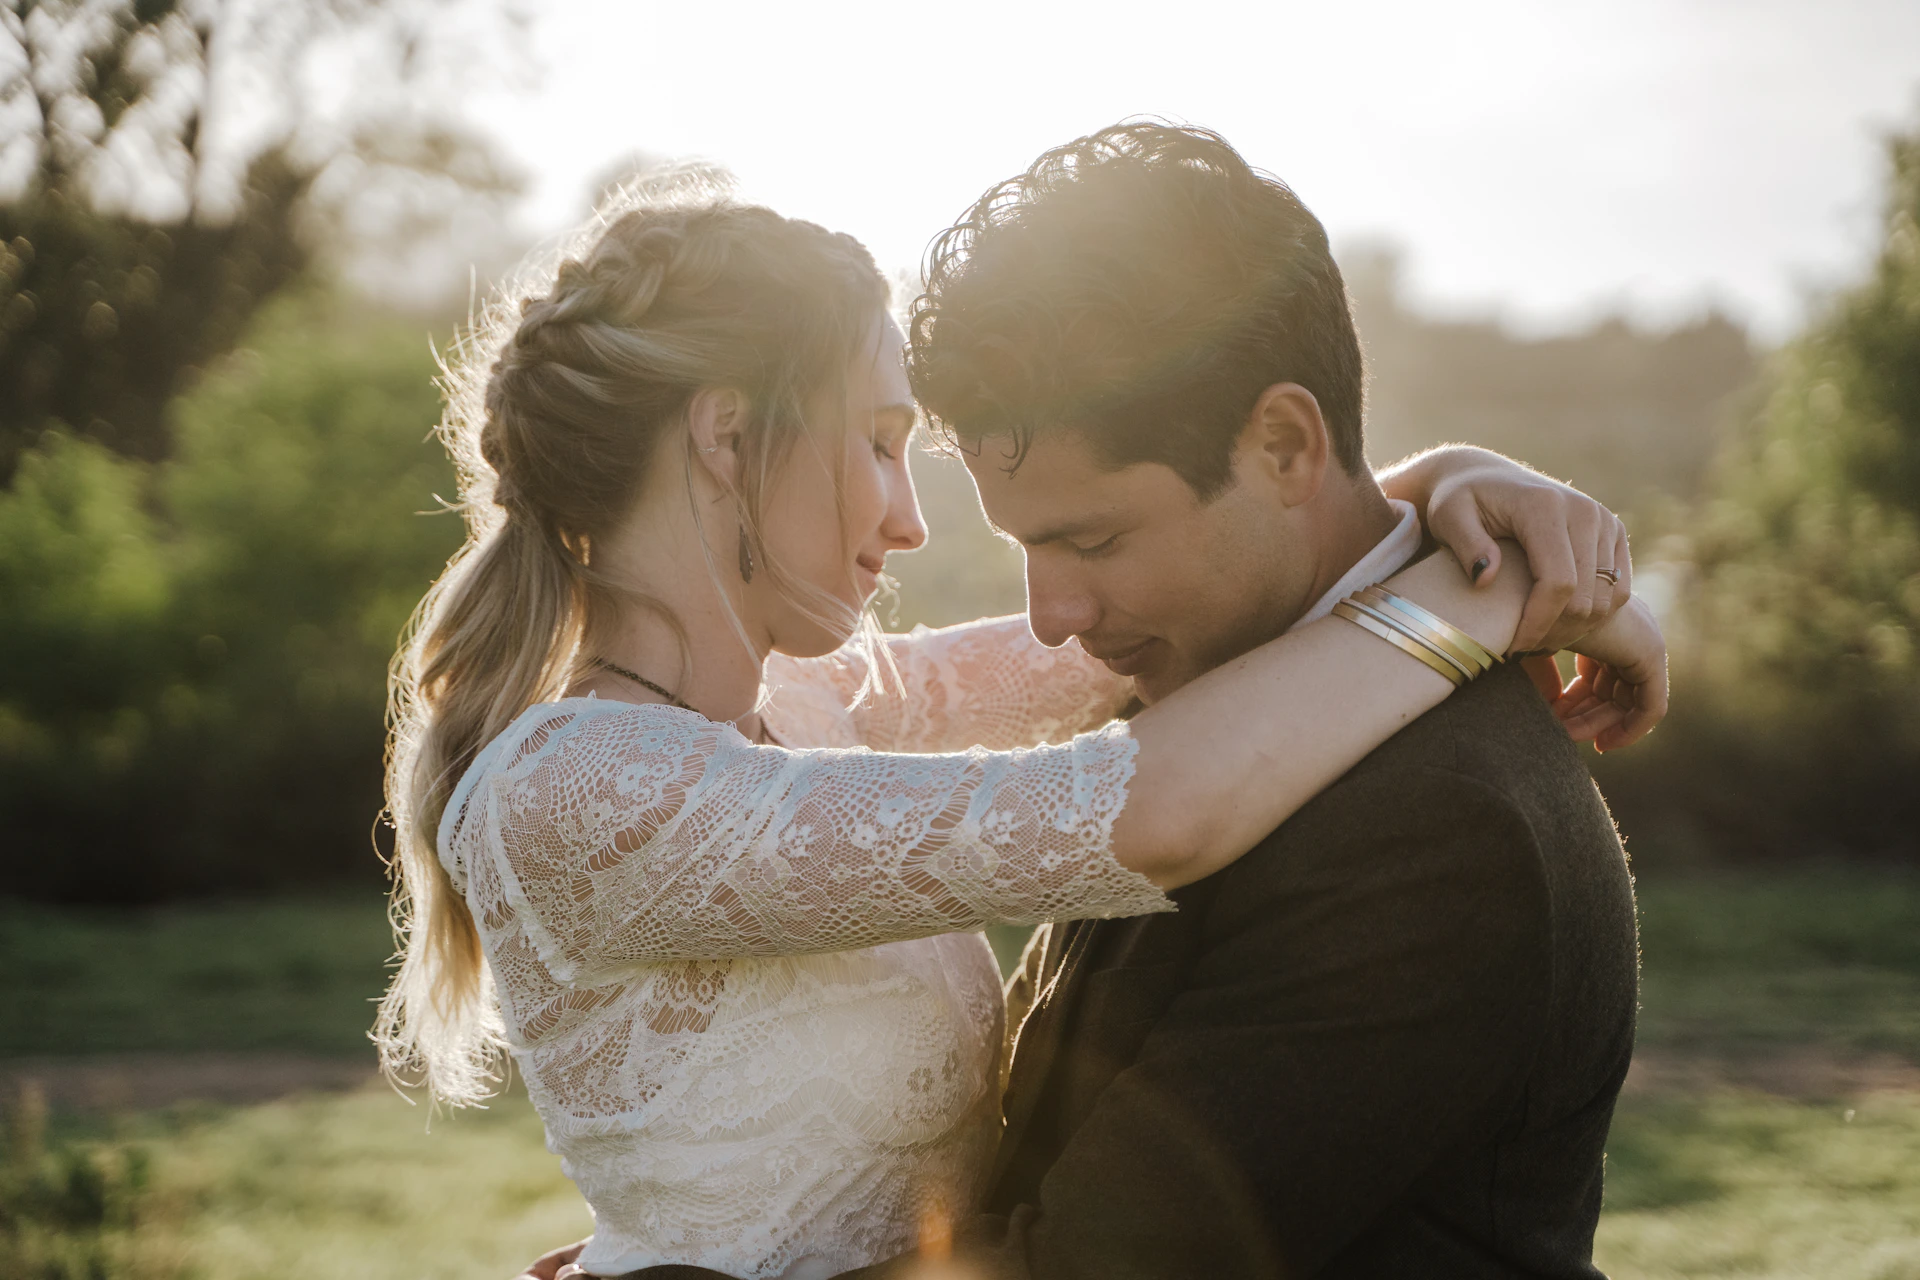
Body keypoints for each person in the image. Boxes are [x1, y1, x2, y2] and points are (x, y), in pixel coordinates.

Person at [390, 170, 1660, 1280]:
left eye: (1085, 536)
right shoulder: (584, 786)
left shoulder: (816, 705)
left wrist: (1448, 492)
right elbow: (1149, 794)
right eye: (882, 446)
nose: (908, 522)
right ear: (726, 436)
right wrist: (1477, 587)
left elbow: (1138, 632)